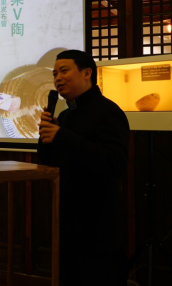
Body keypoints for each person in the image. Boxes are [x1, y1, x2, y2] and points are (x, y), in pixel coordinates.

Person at [38, 49, 129, 286]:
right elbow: (48, 161)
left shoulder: (108, 112)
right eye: (55, 74)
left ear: (87, 73)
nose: (57, 78)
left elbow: (116, 162)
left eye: (64, 71)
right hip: (66, 221)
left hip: (97, 226)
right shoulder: (65, 115)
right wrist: (47, 134)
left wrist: (63, 136)